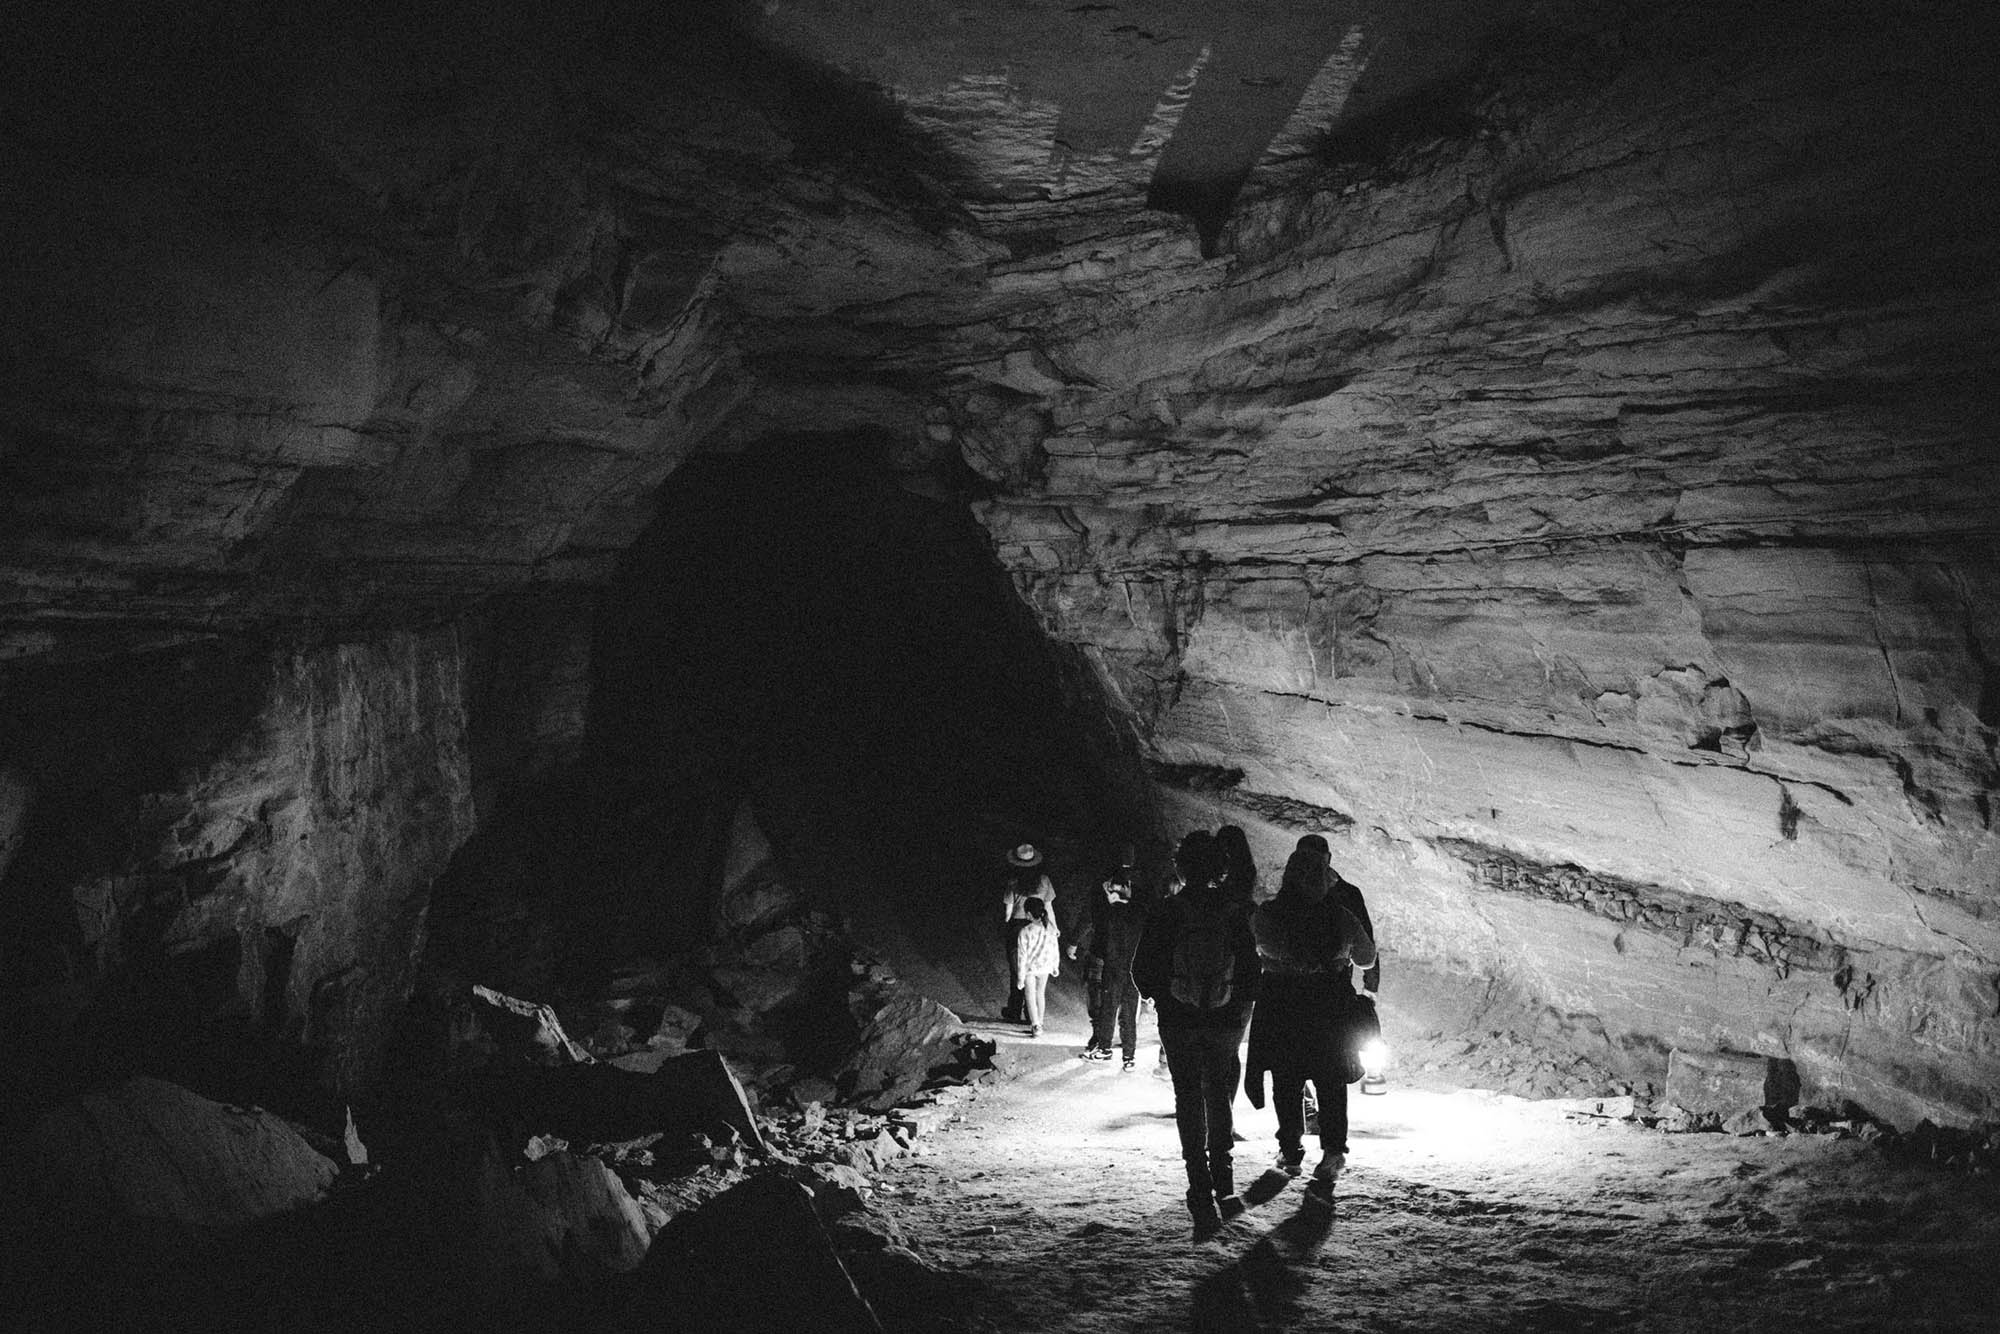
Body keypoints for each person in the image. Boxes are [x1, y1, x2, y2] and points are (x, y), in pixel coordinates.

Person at [1133, 830, 1261, 1236]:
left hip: (1180, 1017)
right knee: (1218, 1092)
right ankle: (1224, 1179)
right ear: (1221, 868)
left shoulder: (1168, 910)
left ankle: (1198, 1185)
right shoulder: (1238, 911)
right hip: (1224, 1019)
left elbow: (1142, 968)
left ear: (1182, 866)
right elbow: (1251, 970)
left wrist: (1165, 999)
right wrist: (1237, 1006)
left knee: (1187, 1094)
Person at [1243, 835, 1377, 1208]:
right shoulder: (1340, 915)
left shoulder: (1268, 914)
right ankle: (1333, 1153)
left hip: (1283, 1004)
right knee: (1331, 1081)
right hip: (1329, 1006)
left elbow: (1255, 952)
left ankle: (1290, 1150)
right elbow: (1366, 957)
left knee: (1287, 1080)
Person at [1069, 844, 1145, 1069]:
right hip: (1132, 963)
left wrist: (1074, 941)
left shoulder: (1104, 894)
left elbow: (1089, 917)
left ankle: (1101, 1043)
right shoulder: (1141, 896)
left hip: (1105, 956)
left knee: (1102, 1002)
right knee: (1128, 1008)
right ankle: (1127, 1052)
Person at [999, 843, 1056, 1024]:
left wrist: (1006, 923)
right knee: (1036, 970)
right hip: (1040, 925)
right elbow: (1049, 907)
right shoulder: (1044, 880)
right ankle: (1032, 1015)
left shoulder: (1013, 883)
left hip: (1017, 927)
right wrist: (1054, 927)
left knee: (1019, 970)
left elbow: (1008, 913)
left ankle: (1014, 1010)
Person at [1014, 895, 1060, 1039]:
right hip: (1045, 967)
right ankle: (1040, 1022)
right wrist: (1055, 965)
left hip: (1030, 969)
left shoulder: (1024, 932)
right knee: (1040, 994)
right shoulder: (1050, 929)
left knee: (1030, 996)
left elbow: (1022, 957)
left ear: (1028, 914)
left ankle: (1035, 1025)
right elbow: (1055, 948)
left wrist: (1020, 978)